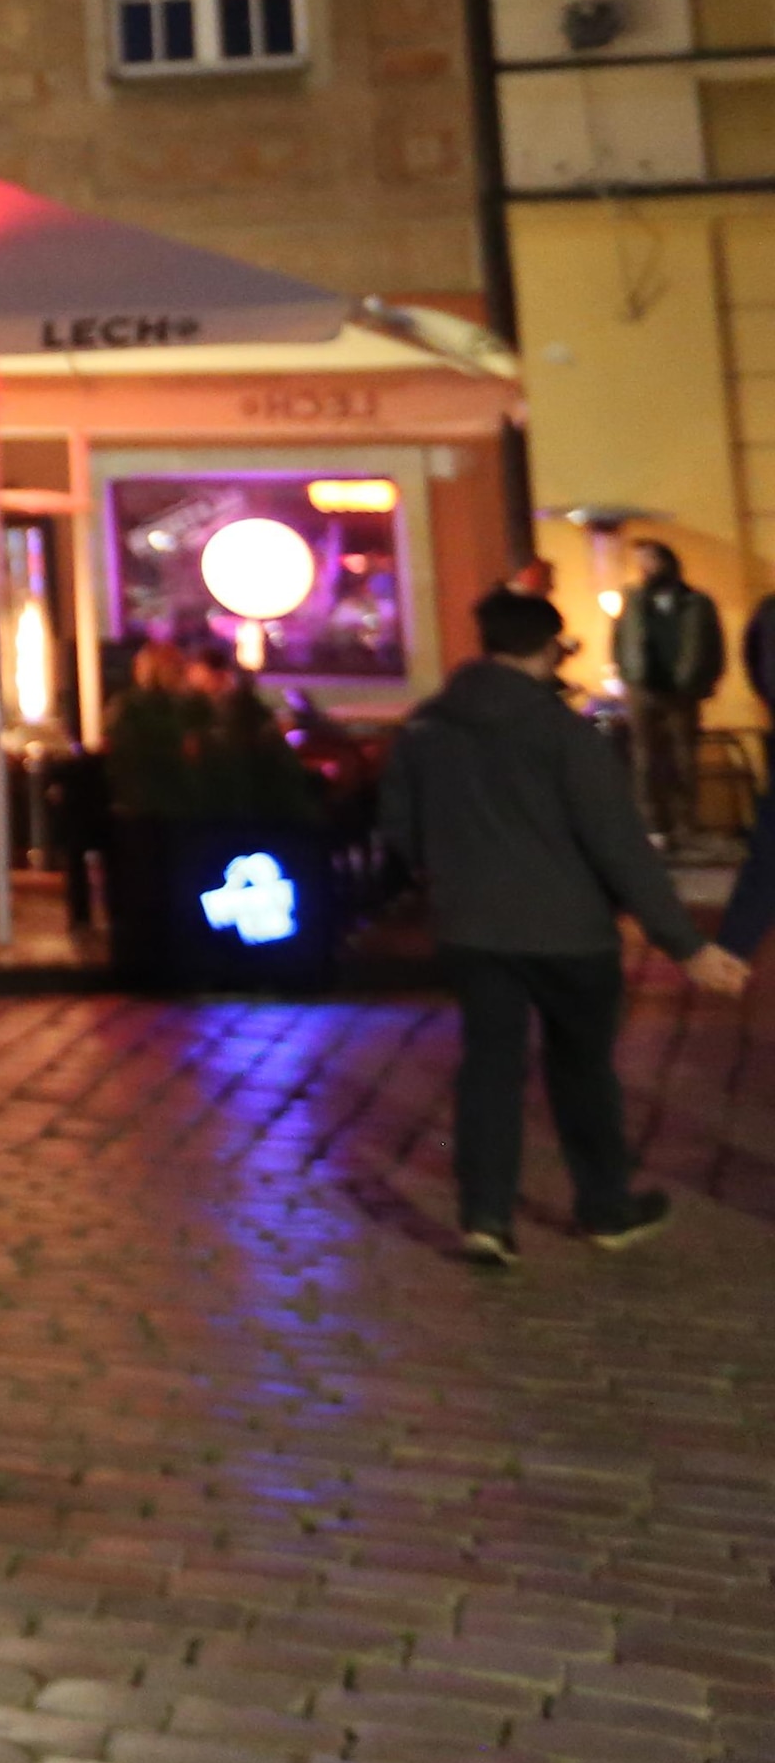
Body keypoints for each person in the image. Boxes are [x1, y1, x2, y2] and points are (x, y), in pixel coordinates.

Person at [380, 586, 746, 1264]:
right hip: (569, 932)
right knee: (582, 1071)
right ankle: (605, 1207)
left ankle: (486, 1215)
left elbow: (400, 829)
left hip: (472, 928)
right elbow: (618, 844)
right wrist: (683, 942)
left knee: (489, 1066)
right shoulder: (563, 733)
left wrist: (453, 873)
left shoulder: (426, 726)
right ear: (549, 649)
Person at [619, 540, 722, 846]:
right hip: (642, 688)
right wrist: (627, 676)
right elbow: (618, 640)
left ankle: (685, 824)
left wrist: (705, 682)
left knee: (684, 758)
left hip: (682, 690)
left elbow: (714, 646)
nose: (644, 568)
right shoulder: (634, 601)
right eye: (640, 561)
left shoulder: (697, 602)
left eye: (650, 560)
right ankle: (651, 825)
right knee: (644, 758)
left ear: (668, 561)